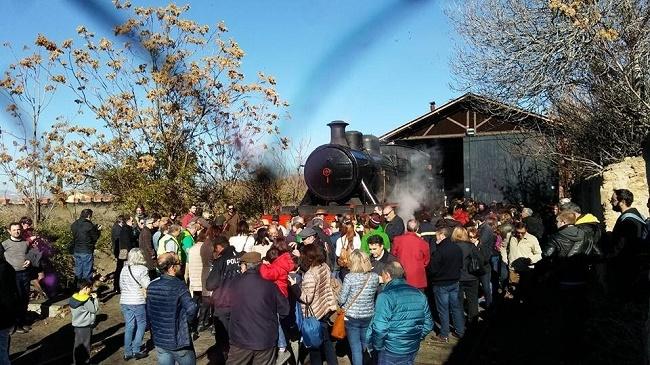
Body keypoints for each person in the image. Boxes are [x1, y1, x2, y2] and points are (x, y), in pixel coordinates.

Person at [227, 251, 290, 365]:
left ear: (244, 265)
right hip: (265, 339)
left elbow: (226, 305)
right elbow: (284, 310)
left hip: (240, 339)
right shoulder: (270, 285)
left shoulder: (235, 283)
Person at [366, 262, 433, 365]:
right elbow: (428, 324)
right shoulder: (419, 294)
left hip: (390, 349)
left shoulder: (385, 296)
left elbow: (380, 327)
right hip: (411, 348)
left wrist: (378, 347)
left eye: (382, 275)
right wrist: (415, 337)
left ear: (387, 275)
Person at [147, 253, 198, 365]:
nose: (181, 265)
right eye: (178, 263)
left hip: (160, 340)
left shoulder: (152, 286)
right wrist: (187, 322)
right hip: (178, 341)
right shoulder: (179, 286)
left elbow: (149, 313)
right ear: (171, 267)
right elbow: (192, 307)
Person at [298, 244, 338, 365]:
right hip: (325, 308)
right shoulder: (324, 266)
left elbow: (307, 298)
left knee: (314, 347)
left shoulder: (310, 275)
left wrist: (295, 287)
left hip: (315, 313)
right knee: (327, 342)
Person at [338, 250, 380, 365]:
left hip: (351, 317)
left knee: (355, 348)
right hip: (369, 315)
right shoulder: (374, 277)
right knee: (366, 344)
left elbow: (342, 299)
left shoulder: (349, 278)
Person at [205, 236, 242, 360]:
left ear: (219, 247)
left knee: (223, 334)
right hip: (240, 301)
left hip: (224, 302)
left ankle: (227, 356)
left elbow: (210, 284)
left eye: (216, 250)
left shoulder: (221, 261)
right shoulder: (241, 256)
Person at [429, 224, 465, 342]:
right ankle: (460, 331)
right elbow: (460, 265)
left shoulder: (439, 252)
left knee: (443, 309)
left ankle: (444, 334)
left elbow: (432, 269)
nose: (436, 238)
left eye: (437, 235)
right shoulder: (457, 248)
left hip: (441, 284)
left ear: (442, 235)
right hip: (454, 282)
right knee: (456, 307)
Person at [2, 222, 35, 333]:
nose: (17, 231)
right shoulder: (4, 244)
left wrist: (29, 260)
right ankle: (12, 325)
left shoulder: (25, 243)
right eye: (14, 230)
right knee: (13, 300)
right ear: (9, 231)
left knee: (24, 298)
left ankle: (22, 322)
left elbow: (31, 253)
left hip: (24, 274)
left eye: (18, 229)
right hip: (11, 275)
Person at [119, 248, 150, 360]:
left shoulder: (124, 269)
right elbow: (147, 285)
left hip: (125, 300)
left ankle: (127, 352)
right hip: (137, 300)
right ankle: (136, 349)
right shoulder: (143, 269)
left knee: (129, 325)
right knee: (141, 324)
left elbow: (121, 285)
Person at [505, 222, 542, 301]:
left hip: (526, 270)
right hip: (513, 269)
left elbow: (539, 254)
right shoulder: (510, 236)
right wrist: (505, 259)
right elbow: (504, 247)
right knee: (513, 290)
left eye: (522, 233)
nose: (520, 235)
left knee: (525, 290)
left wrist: (530, 260)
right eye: (518, 232)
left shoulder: (532, 239)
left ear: (526, 230)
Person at [451, 227, 481, 324]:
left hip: (457, 277)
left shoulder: (453, 246)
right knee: (473, 301)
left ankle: (460, 324)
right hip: (471, 276)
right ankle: (473, 323)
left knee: (458, 302)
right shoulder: (471, 246)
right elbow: (481, 259)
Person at [391, 219, 430, 290]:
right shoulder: (423, 243)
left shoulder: (397, 240)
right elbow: (426, 261)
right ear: (417, 229)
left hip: (401, 274)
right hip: (417, 277)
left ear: (407, 227)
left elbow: (393, 255)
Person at [187, 231, 213, 335]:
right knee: (206, 301)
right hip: (203, 277)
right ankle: (203, 321)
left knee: (196, 300)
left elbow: (188, 263)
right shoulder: (206, 248)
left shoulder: (192, 248)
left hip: (194, 277)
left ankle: (193, 320)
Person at [69, 280, 99, 365]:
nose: (91, 290)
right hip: (85, 326)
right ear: (85, 288)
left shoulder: (74, 297)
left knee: (77, 345)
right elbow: (94, 310)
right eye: (90, 288)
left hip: (76, 325)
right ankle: (85, 363)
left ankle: (76, 362)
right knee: (86, 346)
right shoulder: (85, 300)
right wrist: (95, 299)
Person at [0, 244, 19, 364]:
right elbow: (14, 293)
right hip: (5, 314)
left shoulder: (6, 269)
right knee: (3, 345)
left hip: (4, 313)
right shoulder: (8, 268)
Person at [71, 209, 102, 283]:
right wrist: (98, 231)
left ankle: (77, 289)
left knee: (78, 271)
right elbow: (95, 238)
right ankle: (86, 290)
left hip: (77, 250)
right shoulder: (89, 225)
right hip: (86, 251)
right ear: (89, 216)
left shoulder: (74, 224)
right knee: (87, 273)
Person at [115, 216, 137, 293]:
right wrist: (131, 252)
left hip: (125, 251)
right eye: (132, 221)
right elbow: (127, 242)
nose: (133, 222)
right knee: (125, 270)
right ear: (127, 221)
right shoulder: (126, 230)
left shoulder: (125, 229)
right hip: (127, 252)